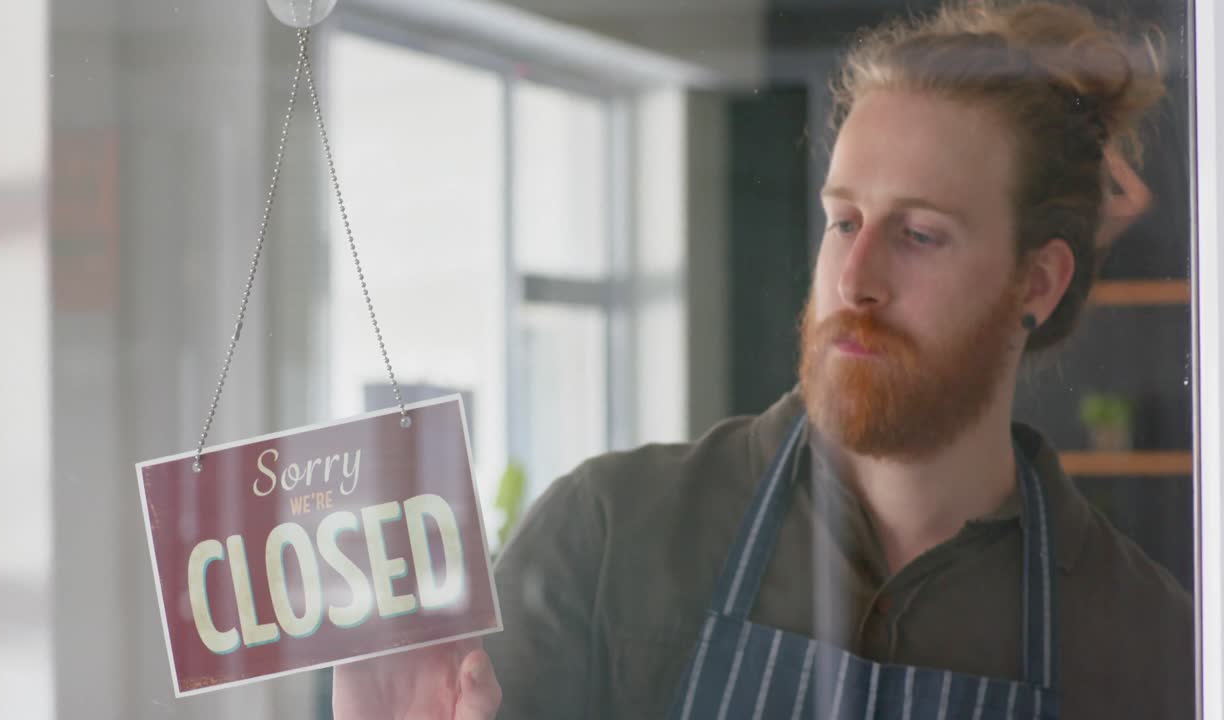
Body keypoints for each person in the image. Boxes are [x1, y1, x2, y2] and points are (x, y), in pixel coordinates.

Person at [332, 1, 1191, 717]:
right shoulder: (605, 538)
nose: (855, 279)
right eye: (844, 222)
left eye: (920, 235)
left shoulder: (1151, 646)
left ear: (1036, 281)